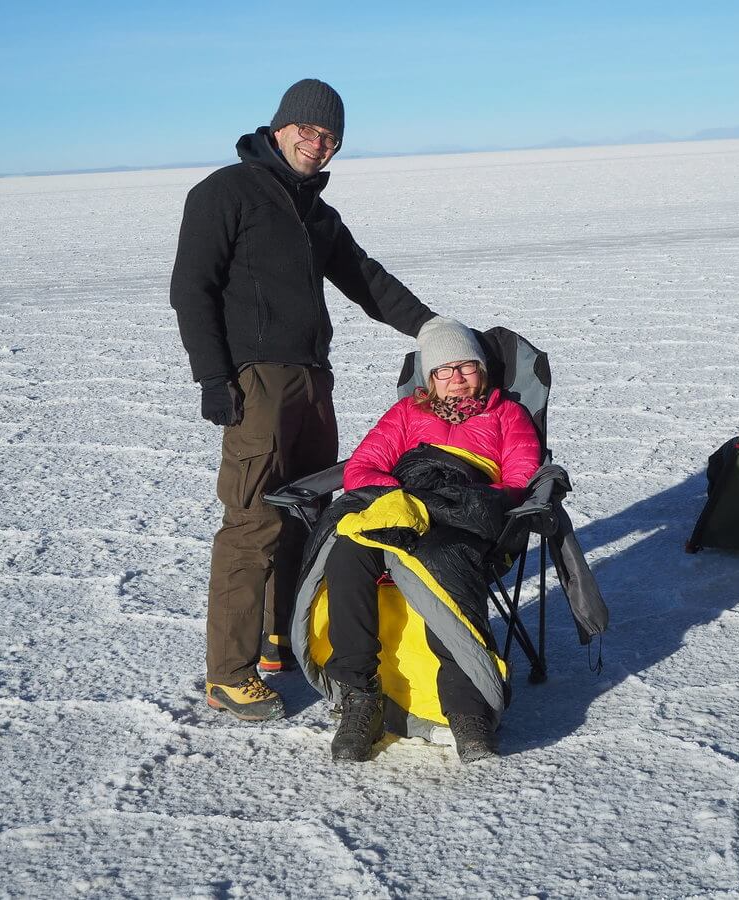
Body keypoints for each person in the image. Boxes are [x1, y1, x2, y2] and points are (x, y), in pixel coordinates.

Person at [170, 78, 436, 722]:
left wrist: (433, 331)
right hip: (256, 379)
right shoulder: (225, 192)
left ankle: (276, 640)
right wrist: (213, 376)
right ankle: (228, 674)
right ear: (280, 127)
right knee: (254, 517)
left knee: (309, 510)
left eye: (331, 137)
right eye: (308, 131)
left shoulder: (317, 213)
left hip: (314, 379)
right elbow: (191, 288)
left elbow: (366, 279)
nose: (318, 145)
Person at [321, 317, 541, 762]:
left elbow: (521, 478)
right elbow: (360, 470)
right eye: (444, 370)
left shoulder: (507, 414)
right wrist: (402, 501)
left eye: (467, 368)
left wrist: (455, 500)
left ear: (483, 371)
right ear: (429, 378)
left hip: (467, 516)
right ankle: (360, 696)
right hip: (401, 511)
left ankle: (467, 710)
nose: (456, 379)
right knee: (347, 553)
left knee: (443, 559)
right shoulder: (404, 415)